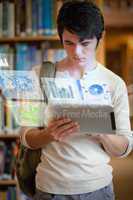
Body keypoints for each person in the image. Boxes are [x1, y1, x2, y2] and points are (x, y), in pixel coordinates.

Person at [21, 1, 133, 199]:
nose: (76, 52)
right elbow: (26, 137)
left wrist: (102, 134)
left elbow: (124, 147)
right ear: (61, 38)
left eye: (85, 43)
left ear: (100, 38)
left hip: (98, 188)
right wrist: (49, 134)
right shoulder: (37, 76)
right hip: (50, 188)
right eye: (69, 43)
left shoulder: (115, 83)